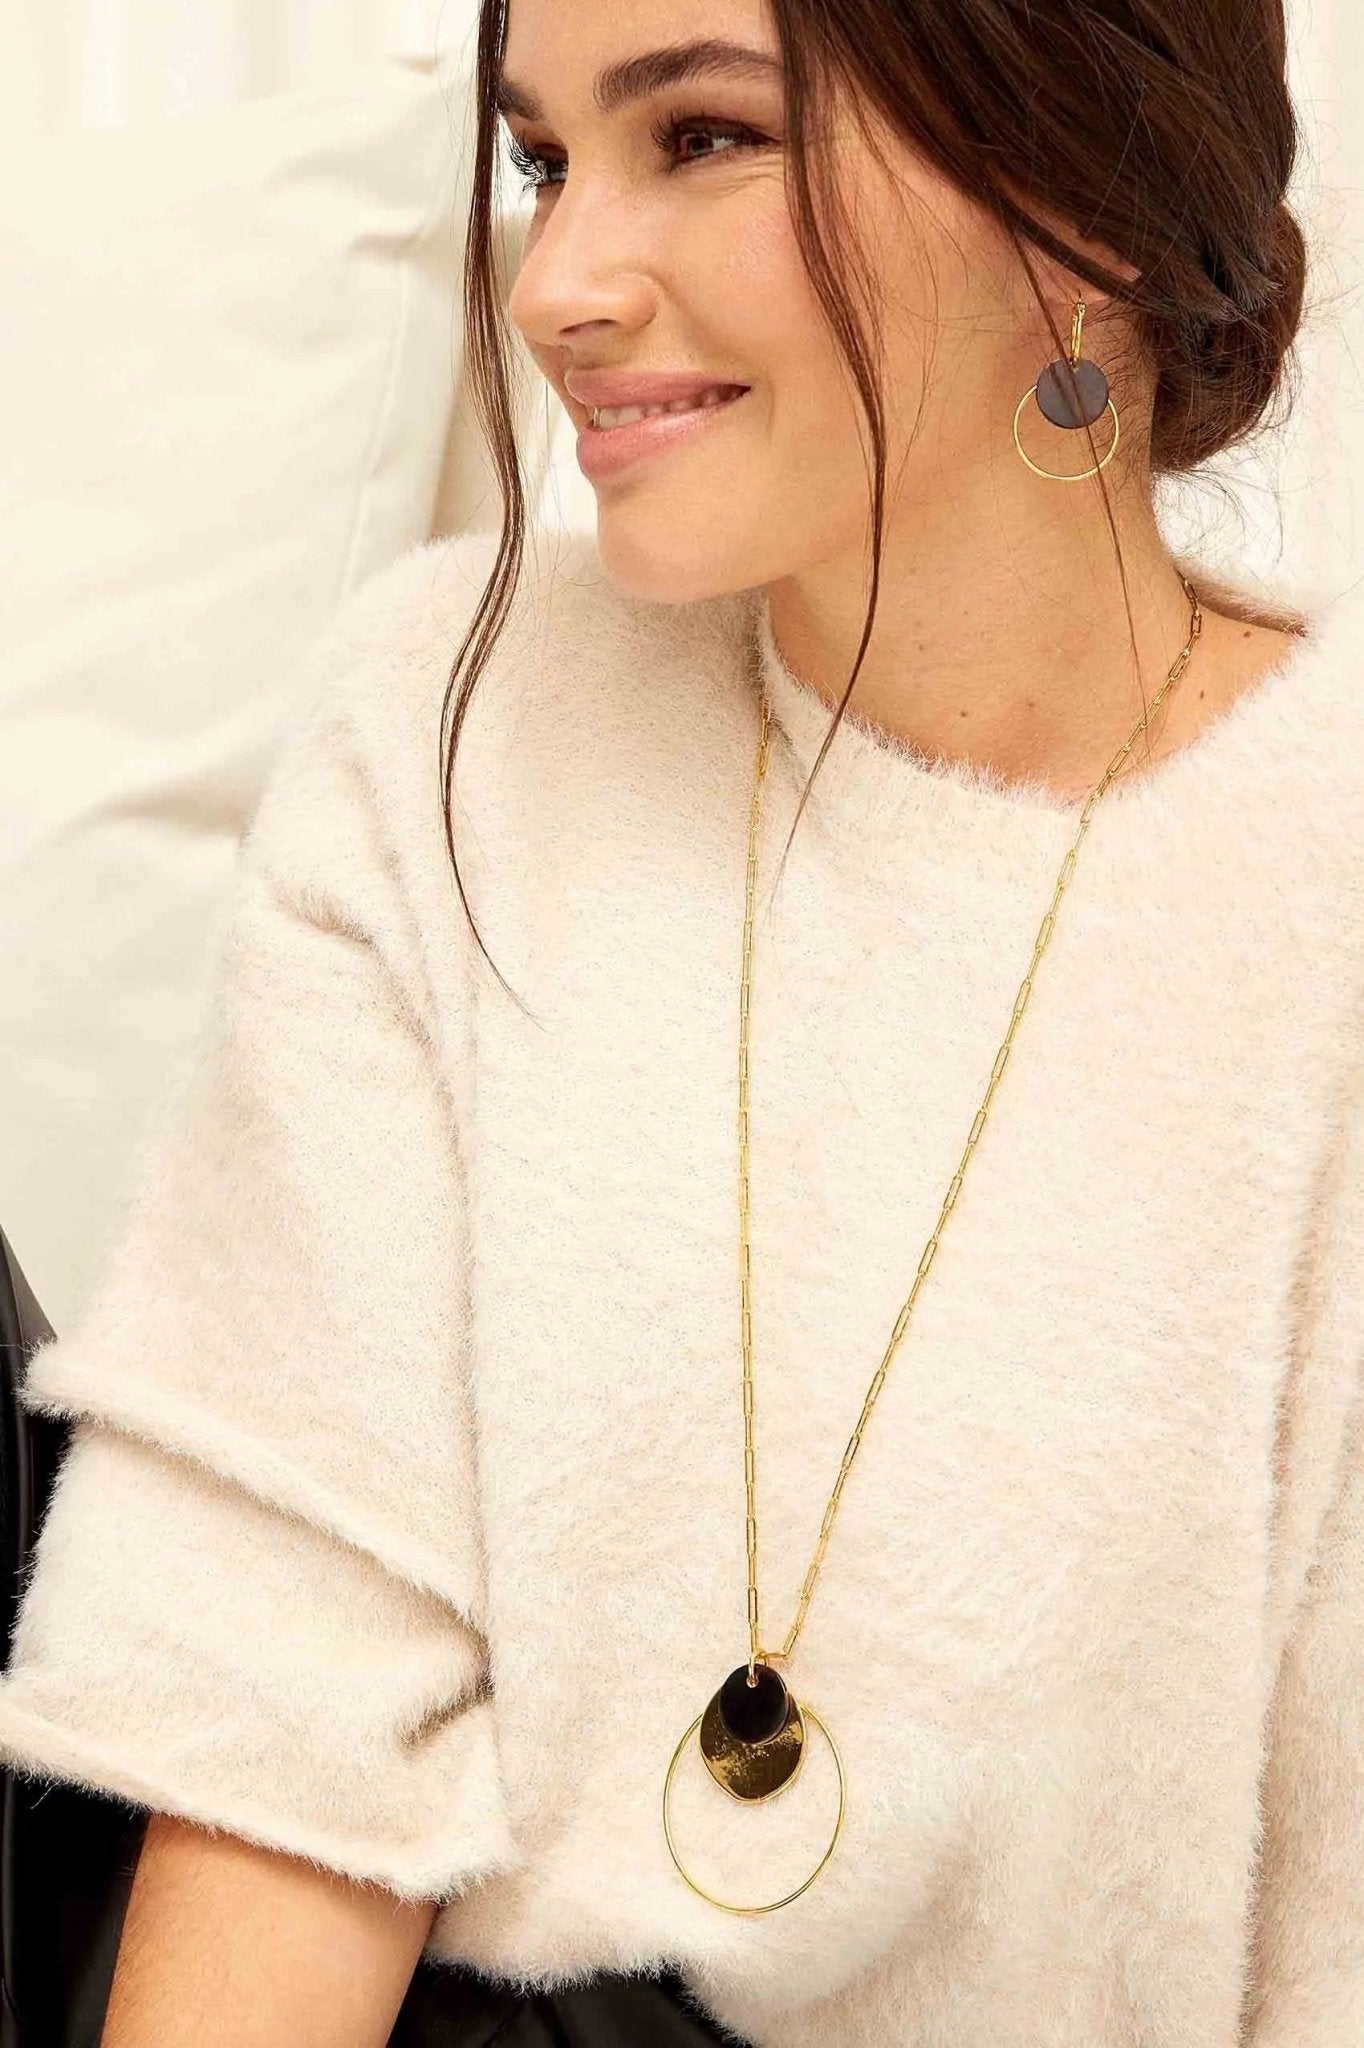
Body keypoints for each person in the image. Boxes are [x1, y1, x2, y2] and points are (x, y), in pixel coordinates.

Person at [2, 0, 1360, 2043]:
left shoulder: (1316, 888)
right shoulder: (456, 726)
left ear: (1074, 180)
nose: (554, 285)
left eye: (706, 137)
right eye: (543, 162)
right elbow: (280, 1718)